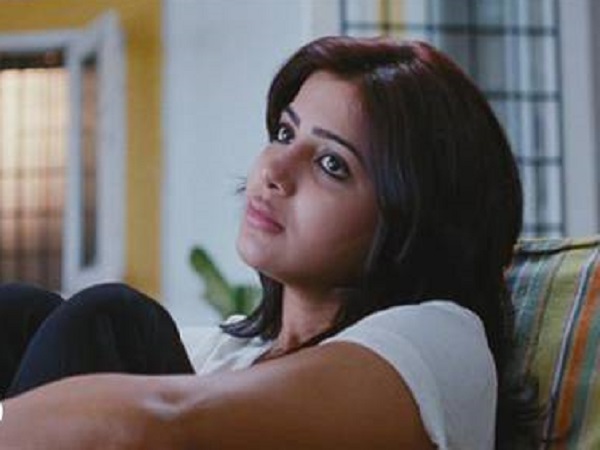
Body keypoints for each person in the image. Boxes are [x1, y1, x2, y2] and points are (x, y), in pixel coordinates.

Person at [0, 36, 539, 449]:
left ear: (412, 220)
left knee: (110, 319)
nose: (274, 170)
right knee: (24, 315)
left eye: (332, 164)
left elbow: (152, 421)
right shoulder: (226, 354)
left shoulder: (439, 340)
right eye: (285, 133)